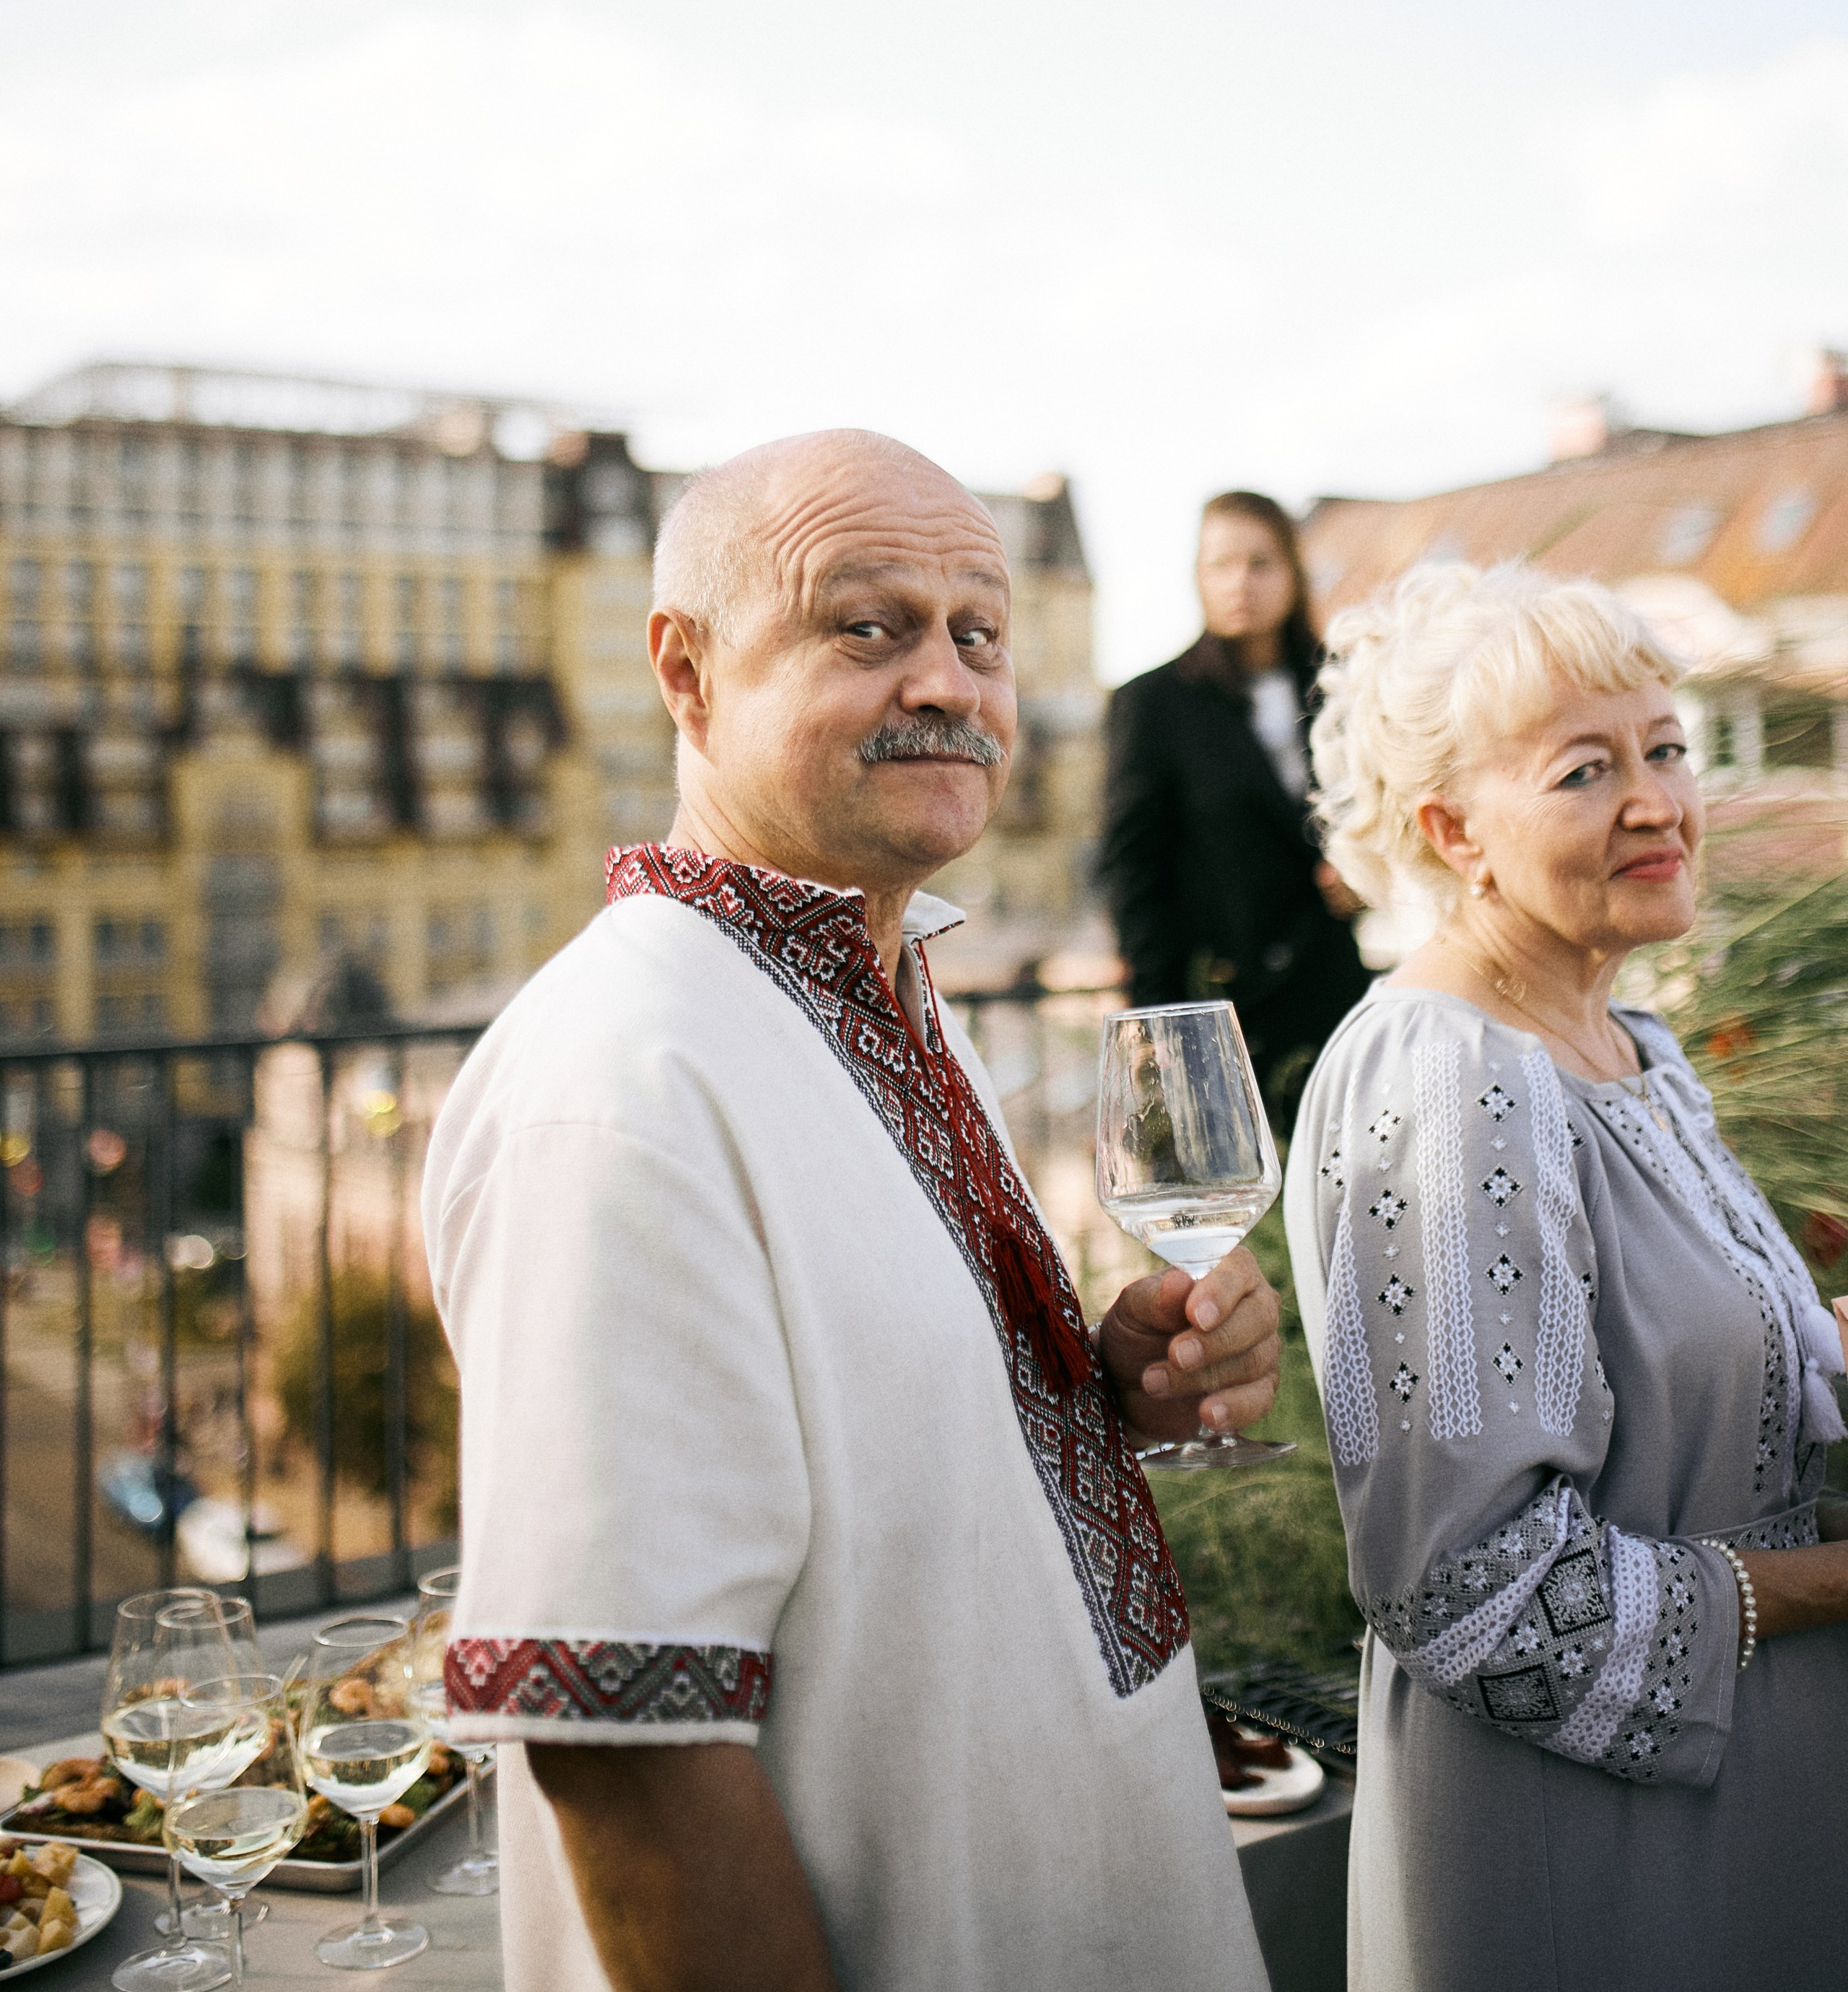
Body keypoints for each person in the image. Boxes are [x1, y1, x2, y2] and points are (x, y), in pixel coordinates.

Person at [425, 430, 1281, 1992]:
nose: (948, 681)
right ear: (684, 672)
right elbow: (626, 1743)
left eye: (979, 632)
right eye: (865, 627)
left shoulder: (878, 988)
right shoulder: (618, 1084)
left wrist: (1102, 1391)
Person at [1283, 561, 1848, 1992]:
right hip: (1592, 1863)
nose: (1657, 797)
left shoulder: (1623, 1044)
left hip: (1747, 1814)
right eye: (1584, 769)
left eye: (1662, 746)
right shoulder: (1445, 1072)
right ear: (1447, 827)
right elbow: (1481, 1594)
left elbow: (1709, 1391)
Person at [1099, 490, 1369, 1125]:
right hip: (1221, 1010)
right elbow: (1133, 873)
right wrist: (1158, 1031)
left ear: (1292, 572)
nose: (1239, 583)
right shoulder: (1156, 703)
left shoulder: (1343, 685)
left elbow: (1392, 813)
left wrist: (1369, 870)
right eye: (1219, 565)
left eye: (1259, 563)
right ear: (1196, 578)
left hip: (1335, 995)